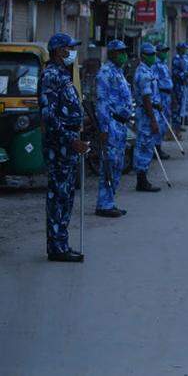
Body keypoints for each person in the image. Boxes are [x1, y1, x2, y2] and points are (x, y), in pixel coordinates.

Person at [39, 32, 88, 262]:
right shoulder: (50, 75)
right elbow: (48, 115)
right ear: (59, 51)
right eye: (69, 48)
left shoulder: (63, 74)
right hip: (59, 147)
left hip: (68, 147)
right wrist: (71, 139)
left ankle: (62, 243)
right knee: (58, 197)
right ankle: (57, 248)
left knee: (66, 196)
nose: (71, 52)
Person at [94, 40, 134, 219]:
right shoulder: (105, 73)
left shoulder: (118, 72)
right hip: (110, 124)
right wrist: (103, 128)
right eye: (120, 52)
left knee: (117, 163)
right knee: (109, 164)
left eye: (125, 51)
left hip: (120, 124)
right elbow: (102, 103)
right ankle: (104, 204)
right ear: (112, 53)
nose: (124, 55)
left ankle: (110, 201)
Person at [132, 44, 163, 193]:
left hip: (148, 112)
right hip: (145, 115)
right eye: (151, 54)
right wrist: (153, 119)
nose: (154, 57)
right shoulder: (143, 73)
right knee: (143, 146)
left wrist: (156, 106)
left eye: (154, 54)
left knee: (147, 145)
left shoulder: (148, 71)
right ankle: (141, 181)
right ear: (143, 56)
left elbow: (150, 97)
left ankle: (143, 179)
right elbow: (145, 98)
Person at [154, 45, 174, 159]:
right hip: (160, 95)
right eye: (162, 51)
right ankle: (157, 148)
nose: (164, 53)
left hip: (166, 96)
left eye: (166, 51)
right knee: (160, 123)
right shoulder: (155, 65)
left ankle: (159, 146)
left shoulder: (163, 64)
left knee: (164, 122)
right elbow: (155, 83)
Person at [171, 42, 188, 128]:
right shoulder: (177, 59)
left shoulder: (183, 58)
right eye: (183, 48)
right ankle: (177, 125)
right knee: (178, 105)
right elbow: (179, 73)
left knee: (184, 103)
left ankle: (180, 123)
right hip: (178, 84)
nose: (185, 50)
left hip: (184, 84)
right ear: (179, 49)